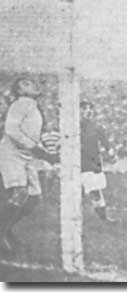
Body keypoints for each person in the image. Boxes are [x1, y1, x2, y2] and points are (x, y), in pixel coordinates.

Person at [0, 77, 57, 253]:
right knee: (20, 193)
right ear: (20, 90)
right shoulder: (19, 104)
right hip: (12, 155)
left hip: (27, 156)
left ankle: (6, 229)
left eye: (31, 82)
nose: (34, 84)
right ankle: (2, 233)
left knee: (33, 199)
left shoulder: (32, 106)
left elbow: (31, 134)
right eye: (27, 83)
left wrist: (43, 152)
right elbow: (11, 130)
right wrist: (36, 149)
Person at [80, 101, 118, 223]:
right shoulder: (72, 127)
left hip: (93, 163)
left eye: (90, 108)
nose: (88, 111)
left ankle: (104, 218)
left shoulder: (96, 127)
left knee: (95, 191)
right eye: (84, 108)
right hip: (77, 162)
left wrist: (111, 154)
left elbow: (106, 143)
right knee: (77, 191)